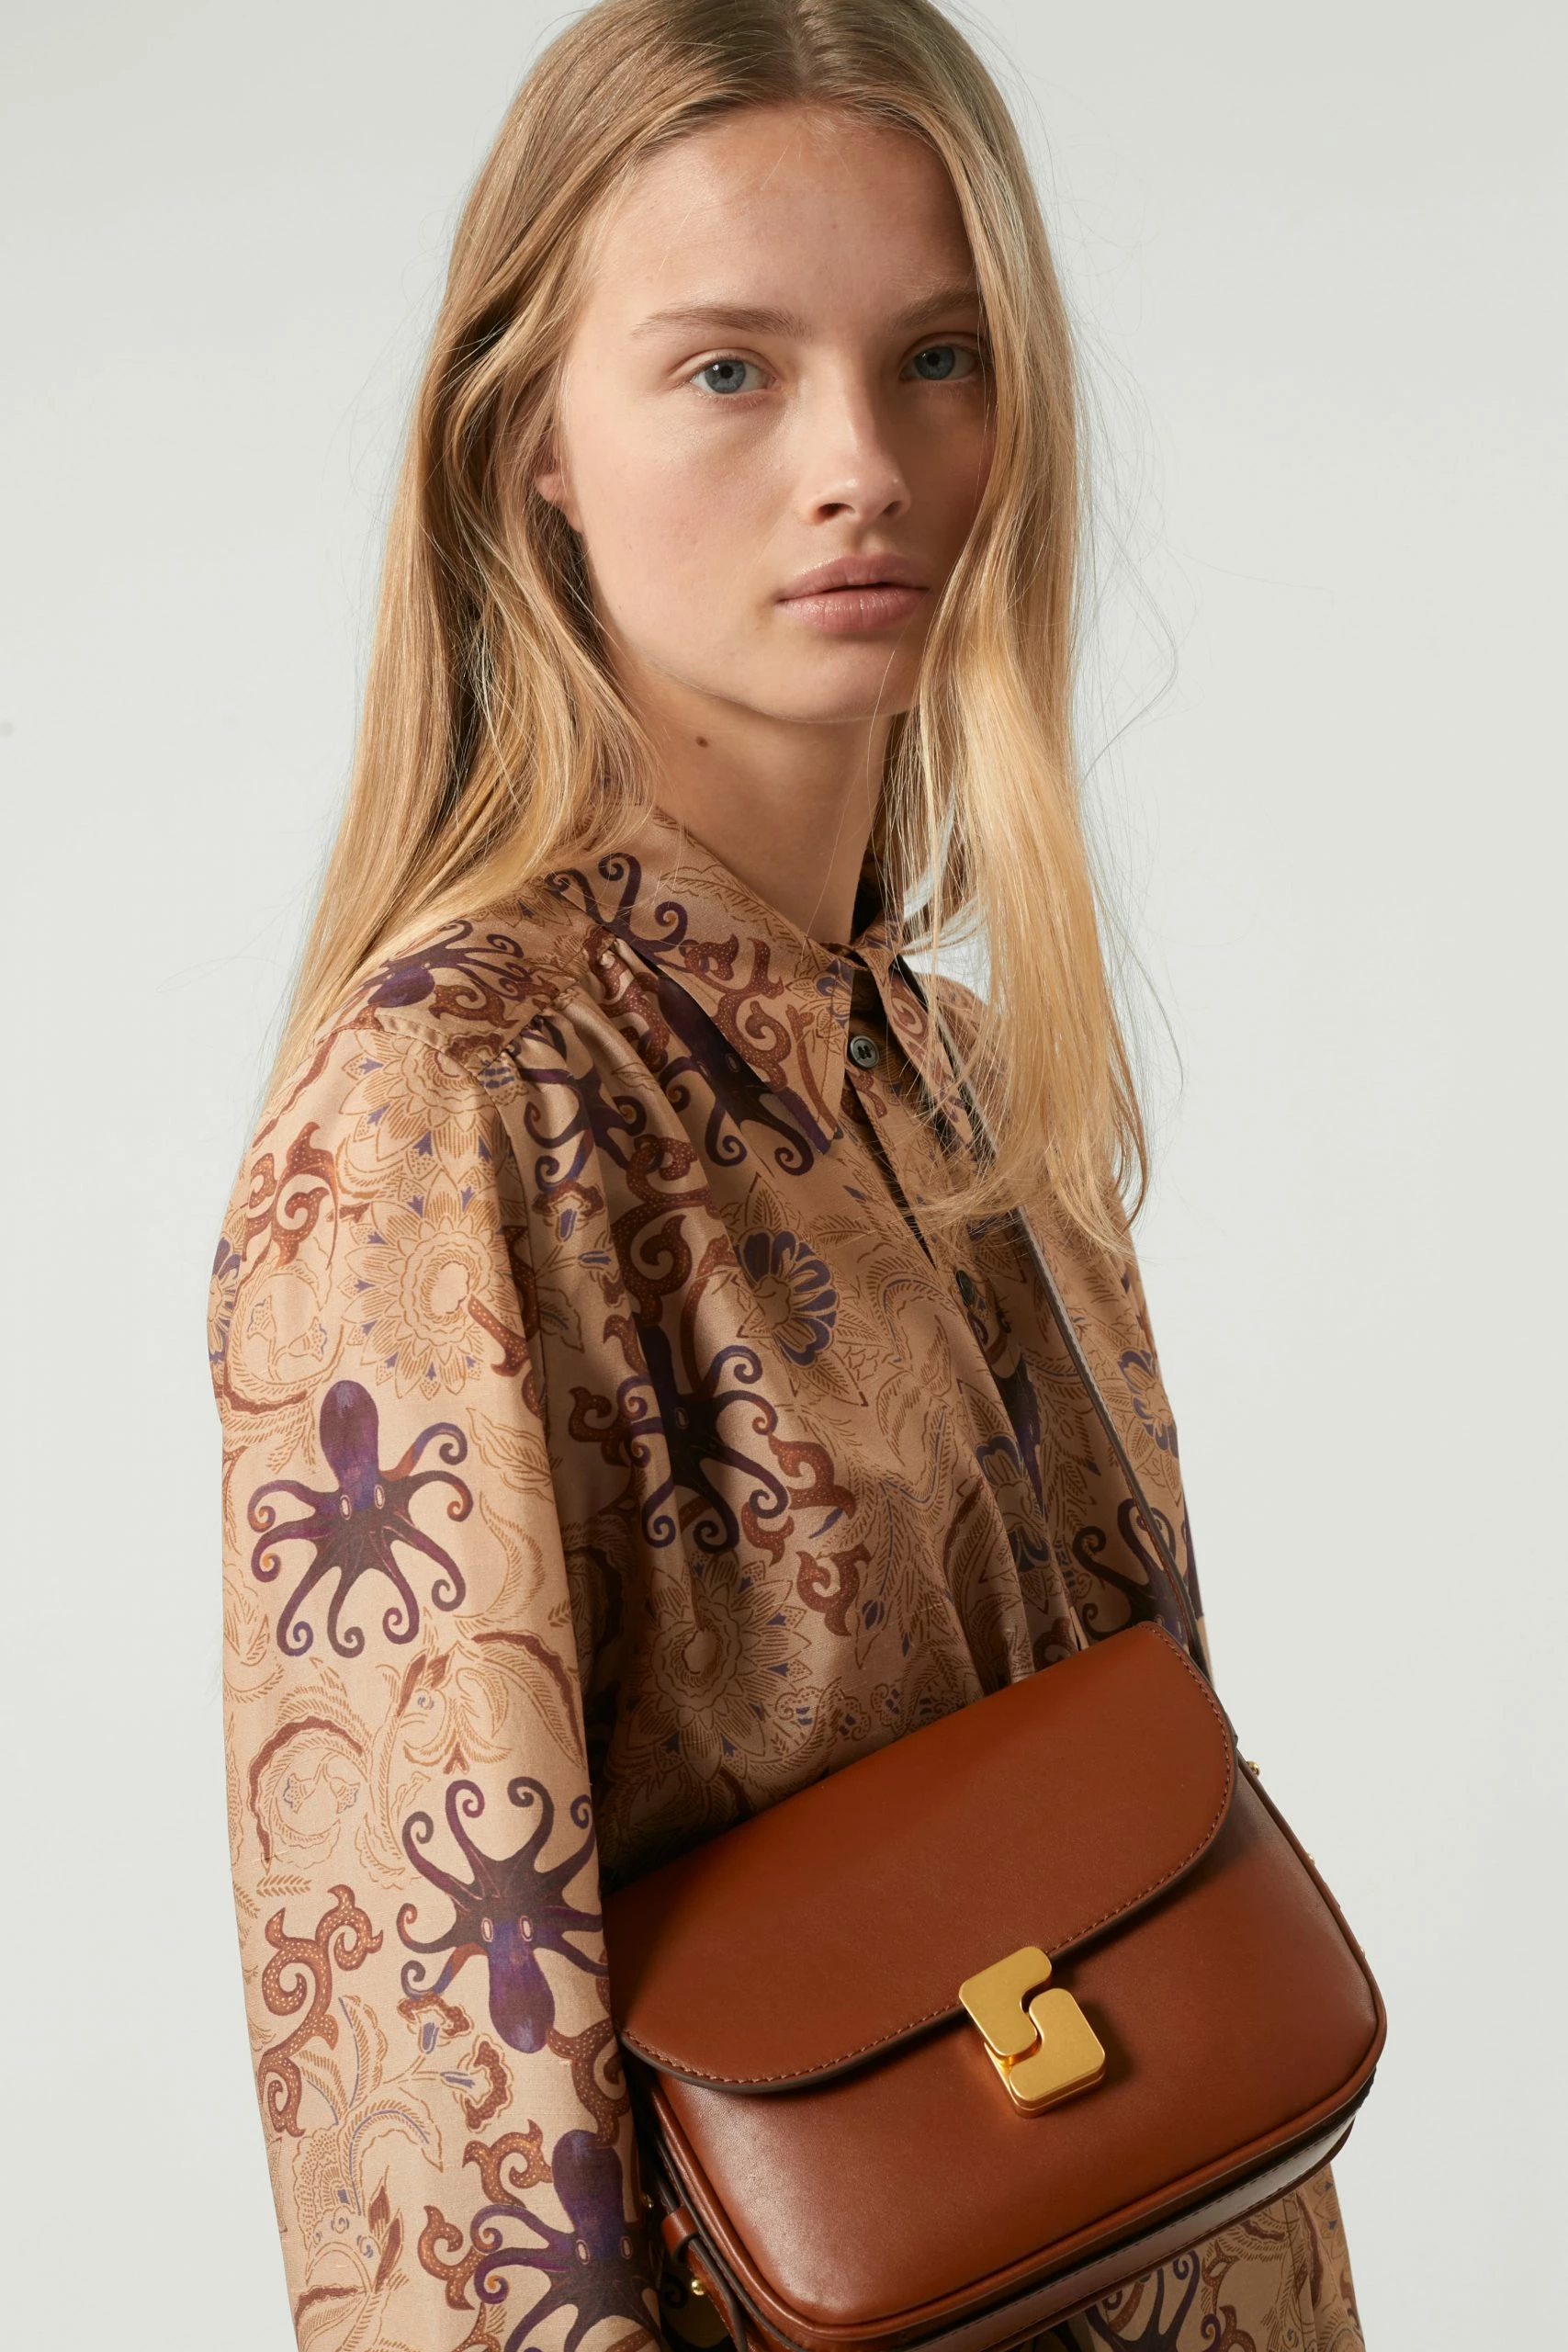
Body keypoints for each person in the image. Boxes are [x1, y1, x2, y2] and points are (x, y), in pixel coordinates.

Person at [207, 3, 1366, 2346]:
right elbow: (438, 2079)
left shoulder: (957, 1069)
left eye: (938, 359)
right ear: (530, 439)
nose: (863, 464)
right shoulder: (456, 1102)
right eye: (729, 369)